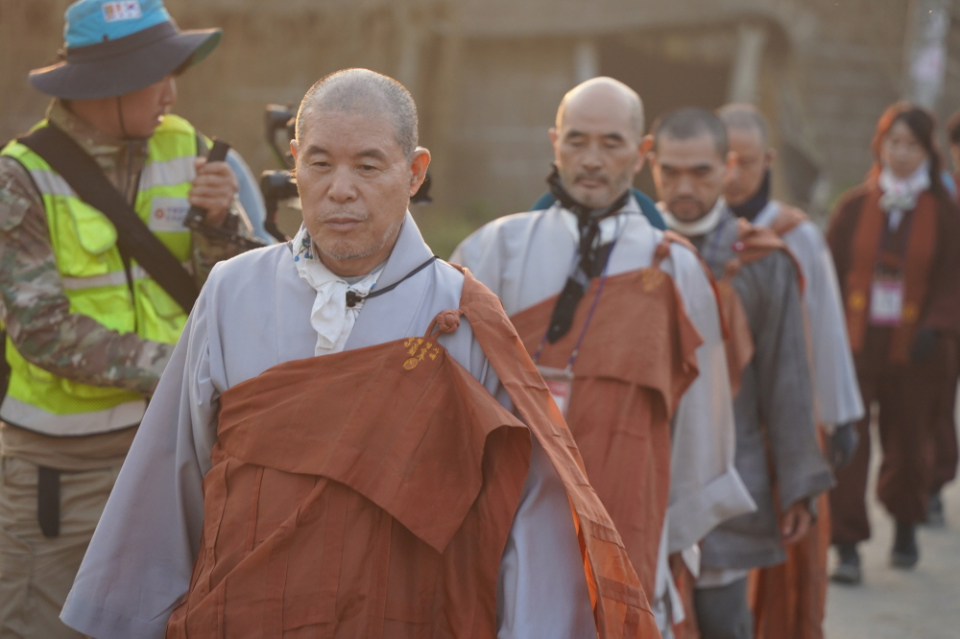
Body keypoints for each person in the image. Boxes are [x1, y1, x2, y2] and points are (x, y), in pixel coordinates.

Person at [60, 68, 658, 639]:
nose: (339, 189)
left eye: (368, 165)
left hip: (401, 618)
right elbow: (172, 469)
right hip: (241, 615)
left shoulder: (461, 314)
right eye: (319, 163)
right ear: (293, 163)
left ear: (415, 172)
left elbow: (524, 507)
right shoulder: (232, 291)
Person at [452, 77, 756, 637]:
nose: (592, 159)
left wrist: (672, 526)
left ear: (642, 154)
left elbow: (701, 423)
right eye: (578, 140)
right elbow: (452, 394)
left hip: (626, 509)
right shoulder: (493, 249)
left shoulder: (675, 268)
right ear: (555, 143)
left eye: (612, 143)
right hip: (515, 504)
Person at [0, 1, 259, 637]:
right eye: (156, 73)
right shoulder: (20, 176)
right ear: (105, 83)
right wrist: (181, 371)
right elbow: (40, 329)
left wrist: (221, 227)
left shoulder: (192, 147)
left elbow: (243, 291)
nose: (173, 89)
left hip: (183, 454)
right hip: (66, 472)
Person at [650, 107, 834, 639]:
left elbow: (788, 379)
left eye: (701, 172)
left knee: (725, 621)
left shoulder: (761, 260)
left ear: (727, 167)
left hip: (728, 475)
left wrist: (797, 483)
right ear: (651, 166)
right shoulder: (630, 249)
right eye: (672, 171)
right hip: (642, 467)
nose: (685, 185)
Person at [718, 104, 864, 639]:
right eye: (724, 162)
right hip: (712, 429)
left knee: (781, 569)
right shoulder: (681, 233)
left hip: (778, 424)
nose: (733, 176)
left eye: (747, 163)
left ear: (769, 161)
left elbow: (823, 334)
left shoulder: (793, 236)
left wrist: (839, 418)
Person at [827, 102, 960, 582]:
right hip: (856, 346)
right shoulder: (854, 205)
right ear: (879, 146)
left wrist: (939, 324)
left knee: (908, 445)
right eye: (893, 143)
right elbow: (829, 272)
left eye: (912, 145)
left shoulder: (946, 213)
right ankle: (846, 546)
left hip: (917, 351)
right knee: (847, 444)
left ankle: (905, 523)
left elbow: (953, 279)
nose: (901, 154)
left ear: (928, 151)